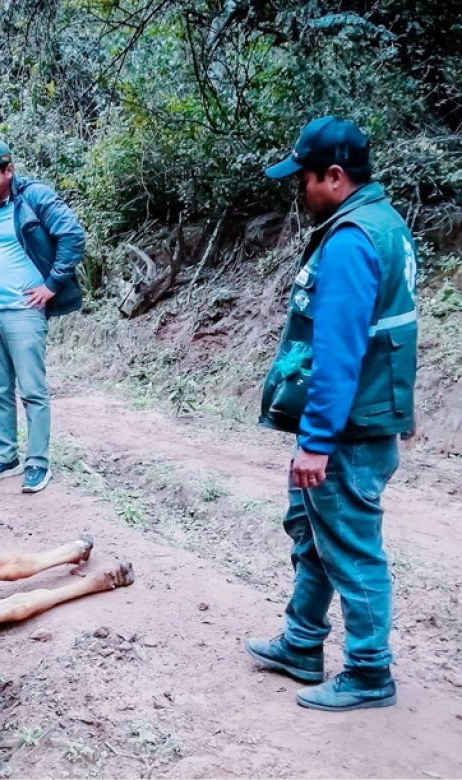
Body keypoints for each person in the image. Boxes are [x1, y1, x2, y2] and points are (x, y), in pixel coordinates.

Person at [247, 116, 418, 711]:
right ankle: (301, 643)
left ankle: (370, 672)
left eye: (307, 179)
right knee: (316, 535)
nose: (301, 190)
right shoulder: (383, 224)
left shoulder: (351, 239)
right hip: (362, 416)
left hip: (349, 426)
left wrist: (316, 442)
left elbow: (338, 351)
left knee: (350, 545)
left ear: (336, 177)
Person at [0, 138, 85, 494]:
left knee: (32, 391)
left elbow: (72, 234)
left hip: (25, 314)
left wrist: (52, 285)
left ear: (8, 170)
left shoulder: (35, 198)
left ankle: (37, 463)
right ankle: (4, 456)